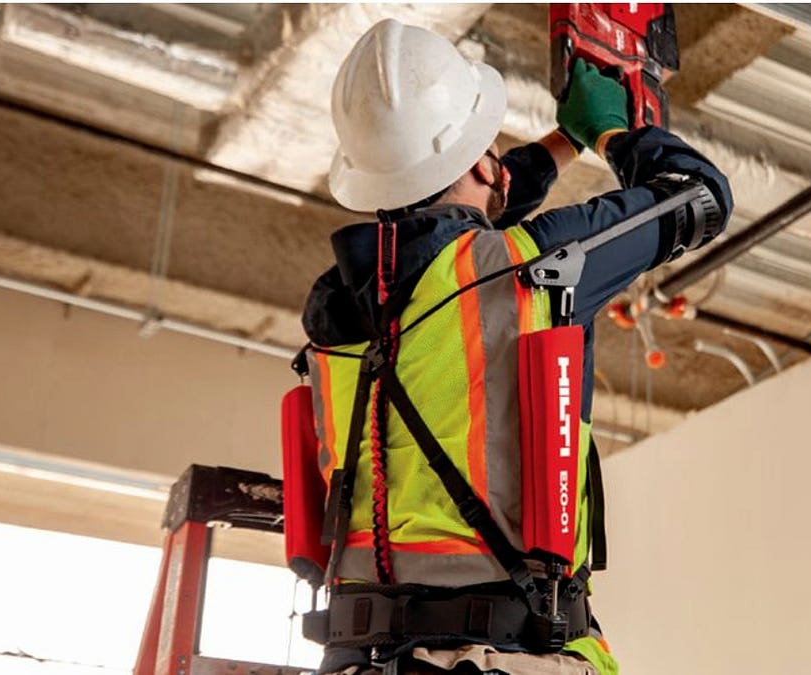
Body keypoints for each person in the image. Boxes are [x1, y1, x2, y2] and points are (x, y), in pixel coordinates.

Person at [300, 19, 732, 675]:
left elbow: (445, 233)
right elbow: (701, 197)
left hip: (360, 656)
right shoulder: (533, 263)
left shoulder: (340, 302)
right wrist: (615, 133)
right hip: (497, 653)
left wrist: (564, 143)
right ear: (479, 158)